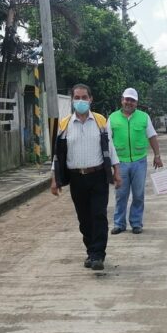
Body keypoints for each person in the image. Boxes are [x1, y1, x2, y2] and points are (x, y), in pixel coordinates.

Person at [51, 84, 121, 271]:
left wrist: (117, 171)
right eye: (77, 97)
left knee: (98, 215)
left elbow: (110, 148)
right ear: (72, 100)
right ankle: (91, 251)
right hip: (76, 178)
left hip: (97, 175)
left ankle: (98, 255)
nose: (80, 101)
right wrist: (54, 179)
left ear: (91, 99)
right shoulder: (64, 124)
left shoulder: (100, 121)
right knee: (84, 218)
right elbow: (57, 155)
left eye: (84, 97)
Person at [108, 88, 163, 235]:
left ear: (136, 103)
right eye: (127, 99)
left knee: (138, 194)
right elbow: (107, 141)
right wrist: (109, 163)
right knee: (121, 194)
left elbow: (152, 136)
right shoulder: (112, 118)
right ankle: (119, 224)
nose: (129, 102)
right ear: (122, 100)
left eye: (132, 100)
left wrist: (157, 155)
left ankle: (136, 223)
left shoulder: (144, 117)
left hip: (139, 161)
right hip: (120, 163)